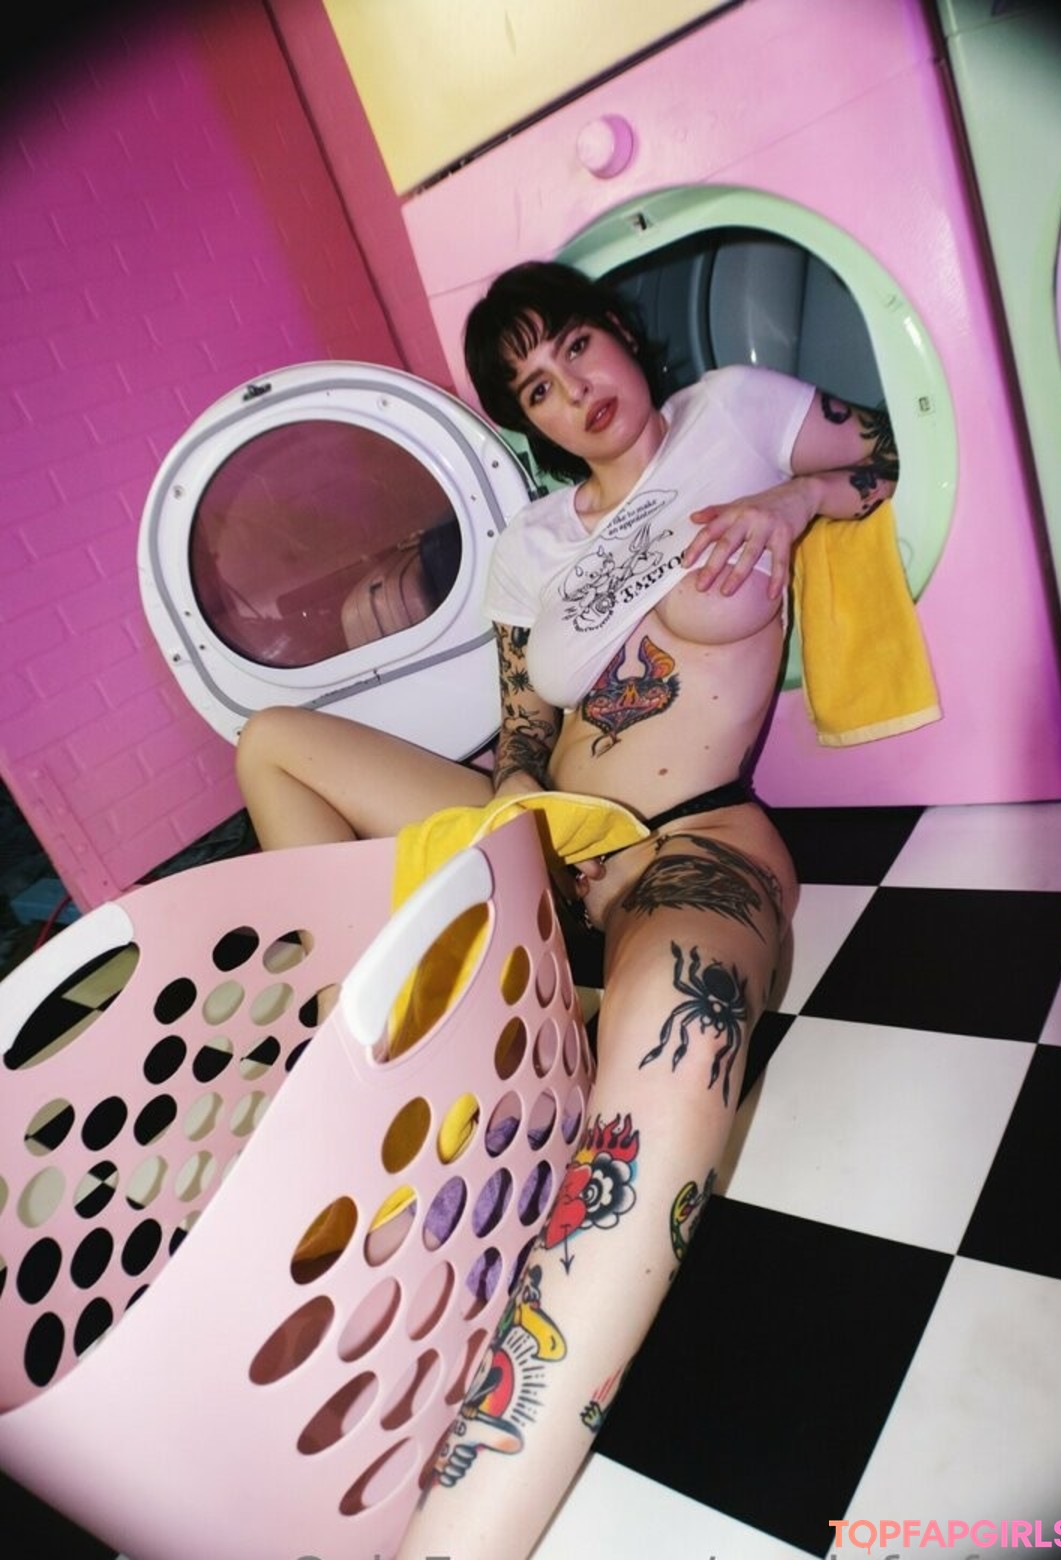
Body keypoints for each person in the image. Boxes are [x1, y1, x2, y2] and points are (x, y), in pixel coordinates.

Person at [235, 261, 898, 1558]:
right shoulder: (527, 546)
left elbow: (887, 452)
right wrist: (508, 832)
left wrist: (795, 498)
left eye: (576, 347)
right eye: (533, 388)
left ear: (623, 336)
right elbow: (525, 721)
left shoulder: (735, 413)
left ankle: (464, 1535)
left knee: (661, 1082)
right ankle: (363, 1068)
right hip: (550, 837)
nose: (570, 391)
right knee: (272, 739)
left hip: (688, 839)